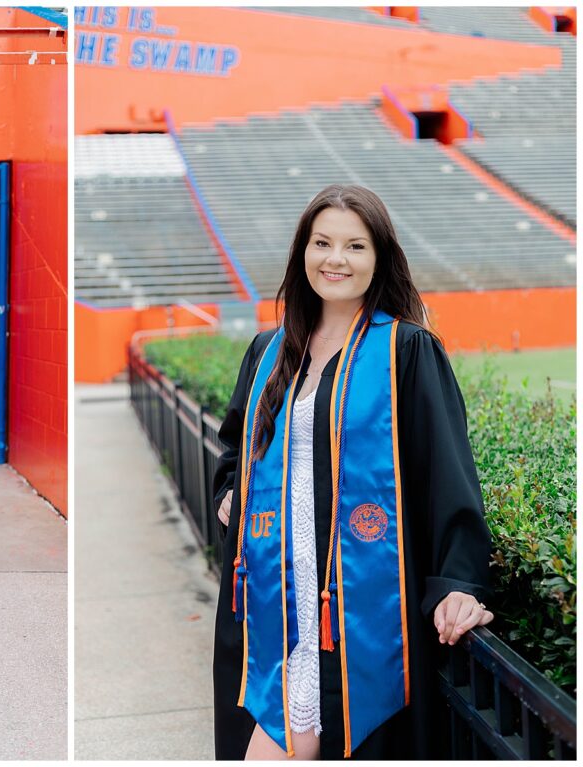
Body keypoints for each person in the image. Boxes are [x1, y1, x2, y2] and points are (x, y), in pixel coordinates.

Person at [210, 184, 493, 760]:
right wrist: (231, 490)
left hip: (356, 606)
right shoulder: (268, 352)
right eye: (322, 243)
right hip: (275, 598)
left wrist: (459, 582)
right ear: (302, 253)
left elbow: (448, 473)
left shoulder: (406, 353)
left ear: (378, 258)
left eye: (354, 246)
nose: (335, 259)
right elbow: (236, 451)